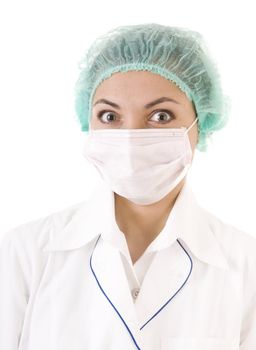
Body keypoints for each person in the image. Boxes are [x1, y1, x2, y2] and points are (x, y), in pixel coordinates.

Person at [0, 23, 255, 350]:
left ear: (201, 123)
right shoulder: (26, 253)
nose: (131, 137)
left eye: (161, 116)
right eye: (109, 116)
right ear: (87, 122)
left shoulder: (246, 264)